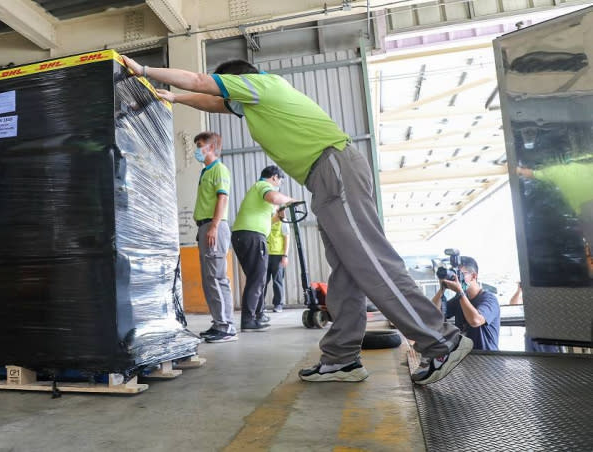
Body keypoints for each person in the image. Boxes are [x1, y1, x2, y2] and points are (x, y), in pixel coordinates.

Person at [122, 56, 469, 384]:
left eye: (227, 88)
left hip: (333, 167)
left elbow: (203, 83)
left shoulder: (265, 85)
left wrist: (146, 70)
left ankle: (441, 341)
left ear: (238, 80)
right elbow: (211, 100)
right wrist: (177, 98)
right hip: (324, 175)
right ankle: (341, 358)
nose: (229, 103)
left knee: (371, 262)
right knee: (347, 269)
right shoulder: (257, 101)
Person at [231, 165, 296, 331]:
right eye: (279, 181)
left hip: (245, 234)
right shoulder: (263, 186)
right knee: (258, 278)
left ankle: (258, 315)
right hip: (251, 235)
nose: (278, 185)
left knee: (256, 277)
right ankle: (249, 320)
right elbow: (274, 198)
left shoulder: (258, 191)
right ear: (274, 177)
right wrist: (289, 200)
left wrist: (279, 217)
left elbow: (268, 219)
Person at [192, 132, 238, 344]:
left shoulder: (219, 169)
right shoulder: (206, 172)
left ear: (211, 148)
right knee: (210, 278)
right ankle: (219, 322)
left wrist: (214, 226)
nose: (197, 150)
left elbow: (223, 198)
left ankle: (226, 326)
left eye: (200, 145)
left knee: (217, 277)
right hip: (206, 226)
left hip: (214, 226)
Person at [430, 257, 500, 351]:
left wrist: (460, 292)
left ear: (474, 276)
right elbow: (432, 314)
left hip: (487, 359)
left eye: (460, 274)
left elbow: (475, 321)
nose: (457, 278)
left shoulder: (489, 299)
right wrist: (442, 289)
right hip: (466, 359)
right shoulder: (460, 299)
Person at [265, 208, 290, 313]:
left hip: (278, 255)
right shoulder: (266, 220)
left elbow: (286, 239)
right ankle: (260, 305)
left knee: (277, 281)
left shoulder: (283, 222)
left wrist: (285, 255)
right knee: (262, 281)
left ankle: (278, 305)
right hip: (265, 255)